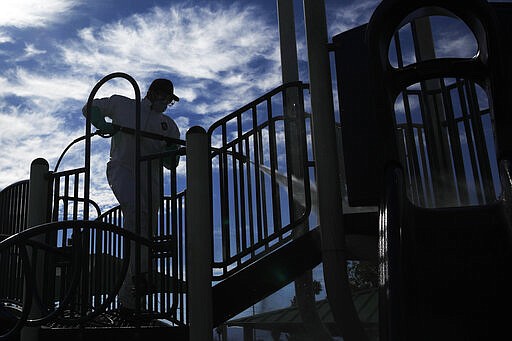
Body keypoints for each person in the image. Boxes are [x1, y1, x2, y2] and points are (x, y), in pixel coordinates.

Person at [82, 78, 181, 313]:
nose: (166, 103)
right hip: (122, 169)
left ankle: (134, 292)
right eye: (164, 97)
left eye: (169, 100)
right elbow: (89, 107)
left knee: (144, 232)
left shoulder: (168, 125)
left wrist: (169, 151)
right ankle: (132, 292)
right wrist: (101, 124)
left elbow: (172, 163)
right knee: (137, 213)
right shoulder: (122, 104)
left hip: (152, 182)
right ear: (153, 93)